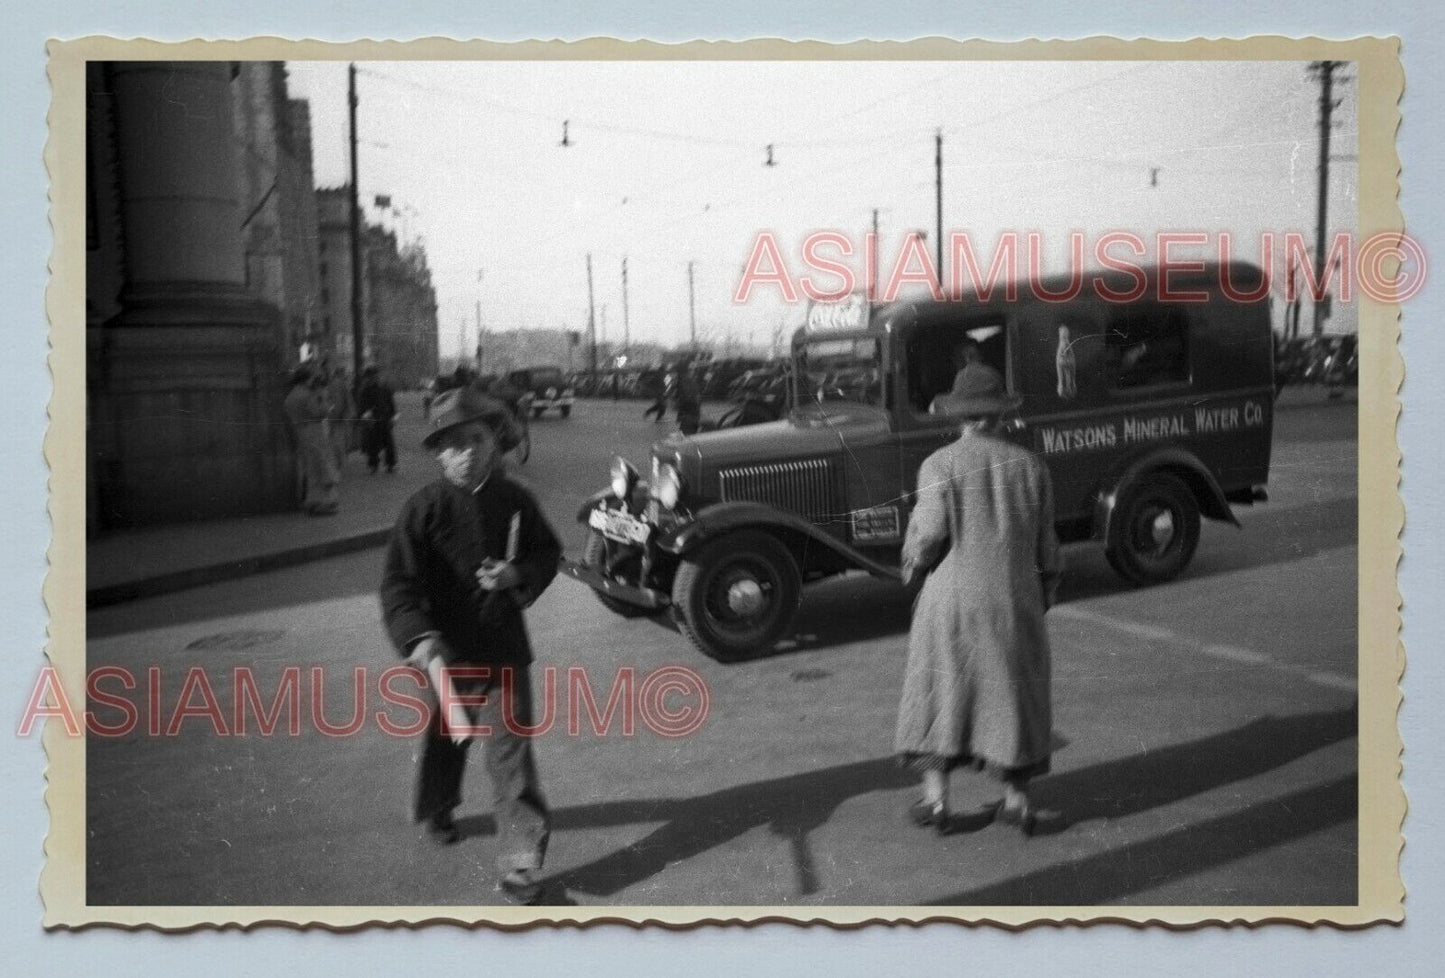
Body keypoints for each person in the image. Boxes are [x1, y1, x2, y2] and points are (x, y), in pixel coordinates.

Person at [379, 386, 562, 904]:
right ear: (438, 453)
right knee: (447, 739)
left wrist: (516, 574)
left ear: (494, 441)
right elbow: (398, 587)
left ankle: (521, 863)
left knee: (512, 757)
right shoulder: (423, 510)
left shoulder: (515, 501)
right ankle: (439, 805)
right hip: (445, 654)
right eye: (453, 445)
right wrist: (419, 637)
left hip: (503, 648)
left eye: (477, 439)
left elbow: (547, 552)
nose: (467, 453)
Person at [895, 364, 1063, 835]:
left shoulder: (939, 464)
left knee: (940, 695)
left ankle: (938, 803)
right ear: (1000, 416)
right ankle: (1018, 804)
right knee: (1014, 697)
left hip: (950, 604)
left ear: (960, 417)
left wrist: (910, 561)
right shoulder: (1031, 467)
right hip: (1014, 600)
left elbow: (927, 537)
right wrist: (1043, 592)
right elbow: (1048, 550)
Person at [282, 363, 340, 516]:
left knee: (311, 468)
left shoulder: (291, 396)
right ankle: (325, 502)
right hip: (315, 430)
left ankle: (312, 500)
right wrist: (325, 401)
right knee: (323, 465)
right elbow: (319, 412)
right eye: (311, 378)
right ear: (306, 379)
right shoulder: (309, 395)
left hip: (301, 432)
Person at [356, 365, 398, 474]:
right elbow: (362, 406)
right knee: (372, 444)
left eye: (375, 375)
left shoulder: (384, 389)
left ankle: (390, 464)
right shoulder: (365, 390)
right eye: (371, 376)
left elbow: (391, 403)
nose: (374, 378)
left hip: (384, 419)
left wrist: (393, 416)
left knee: (388, 443)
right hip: (373, 420)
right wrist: (365, 417)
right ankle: (374, 464)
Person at [672, 367, 701, 436]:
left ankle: (686, 436)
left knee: (686, 426)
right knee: (689, 428)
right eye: (691, 372)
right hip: (691, 407)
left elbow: (678, 394)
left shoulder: (683, 381)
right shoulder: (690, 381)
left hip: (688, 408)